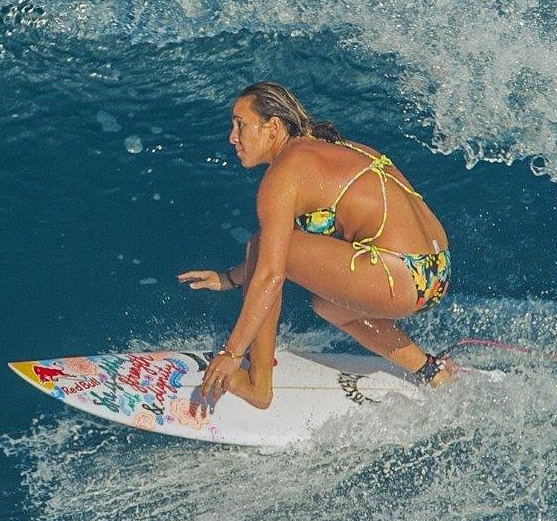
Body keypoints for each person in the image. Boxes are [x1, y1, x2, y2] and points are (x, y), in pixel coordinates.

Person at [178, 81, 455, 415]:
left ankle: (257, 385)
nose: (232, 138)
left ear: (273, 127)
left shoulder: (283, 176)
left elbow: (270, 271)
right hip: (434, 270)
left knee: (262, 245)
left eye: (241, 125)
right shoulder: (329, 148)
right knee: (329, 306)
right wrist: (231, 278)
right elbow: (287, 249)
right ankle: (429, 369)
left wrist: (231, 352)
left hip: (399, 274)